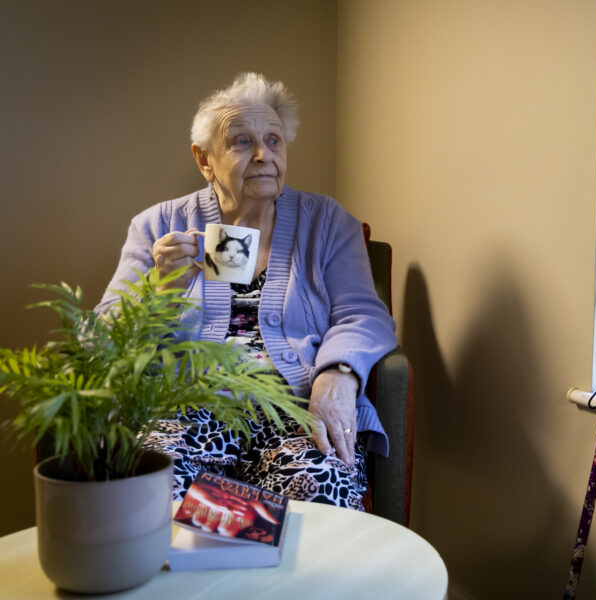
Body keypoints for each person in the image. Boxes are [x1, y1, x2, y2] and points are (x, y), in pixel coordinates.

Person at [96, 73, 397, 510]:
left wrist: (338, 375)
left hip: (294, 408)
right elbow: (102, 340)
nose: (263, 155)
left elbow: (364, 315)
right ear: (204, 160)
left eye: (274, 141)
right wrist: (158, 290)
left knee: (321, 485)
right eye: (241, 142)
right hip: (185, 410)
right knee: (146, 490)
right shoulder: (157, 226)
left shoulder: (328, 222)